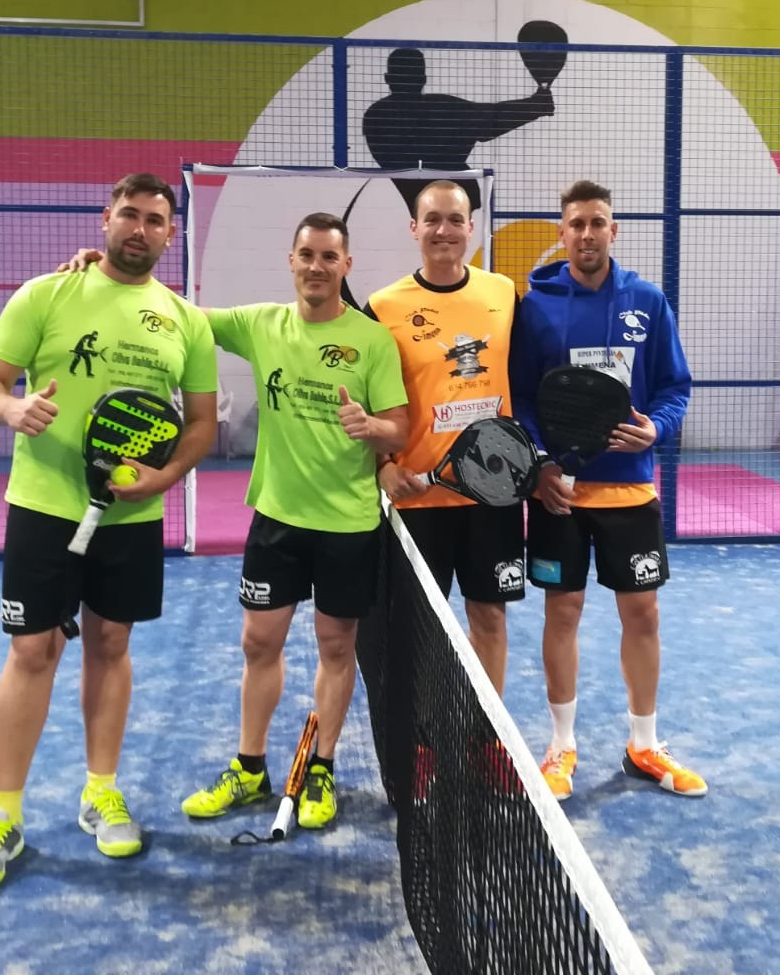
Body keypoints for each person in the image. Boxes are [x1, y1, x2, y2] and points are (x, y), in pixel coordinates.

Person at [0, 172, 218, 892]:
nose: (140, 229)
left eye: (155, 220)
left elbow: (200, 422)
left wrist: (166, 478)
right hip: (44, 505)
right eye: (129, 214)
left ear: (172, 234)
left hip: (131, 516)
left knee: (110, 644)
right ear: (106, 219)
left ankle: (100, 792)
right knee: (32, 649)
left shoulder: (185, 320)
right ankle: (3, 815)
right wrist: (11, 411)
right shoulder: (47, 293)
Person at [180, 212, 409, 829]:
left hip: (347, 523)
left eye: (329, 257)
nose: (317, 266)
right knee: (259, 643)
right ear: (291, 261)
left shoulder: (371, 341)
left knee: (336, 646)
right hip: (277, 519)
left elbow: (399, 429)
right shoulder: (260, 324)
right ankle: (250, 767)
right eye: (307, 255)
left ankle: (322, 768)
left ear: (346, 265)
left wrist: (371, 426)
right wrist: (107, 273)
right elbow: (181, 317)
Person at [509, 179, 705, 802]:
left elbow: (674, 386)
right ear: (562, 233)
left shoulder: (647, 300)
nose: (587, 234)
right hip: (561, 493)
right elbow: (521, 396)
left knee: (642, 613)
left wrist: (656, 429)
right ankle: (560, 746)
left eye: (598, 223)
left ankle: (644, 744)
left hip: (630, 492)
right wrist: (542, 464)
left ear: (613, 231)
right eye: (577, 224)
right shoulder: (535, 306)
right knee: (562, 612)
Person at [363, 179, 524, 693]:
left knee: (490, 618)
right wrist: (383, 467)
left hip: (492, 493)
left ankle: (485, 732)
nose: (444, 230)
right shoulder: (382, 306)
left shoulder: (504, 293)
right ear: (414, 228)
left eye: (455, 219)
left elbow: (524, 379)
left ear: (471, 228)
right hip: (419, 498)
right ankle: (419, 734)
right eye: (432, 219)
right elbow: (367, 401)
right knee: (415, 629)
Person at [362, 46, 555, 216]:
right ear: (423, 79)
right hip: (458, 201)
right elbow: (490, 120)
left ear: (388, 79)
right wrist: (536, 106)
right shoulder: (439, 109)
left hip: (441, 203)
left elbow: (488, 119)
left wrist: (535, 105)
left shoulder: (375, 116)